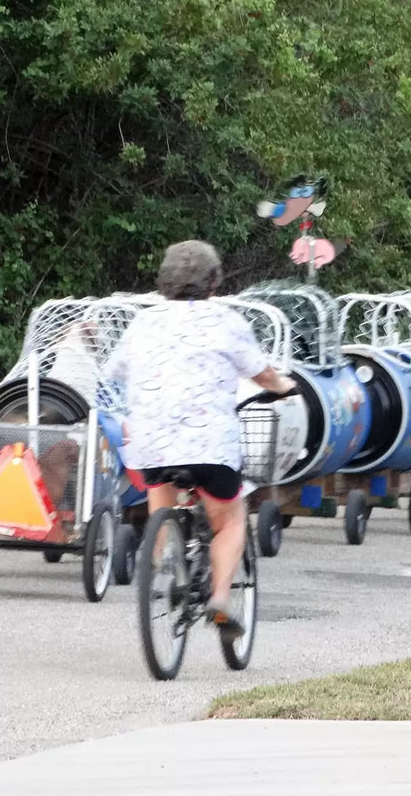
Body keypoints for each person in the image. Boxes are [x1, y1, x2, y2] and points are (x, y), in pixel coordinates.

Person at [104, 240, 296, 636]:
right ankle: (221, 598)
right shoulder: (225, 321)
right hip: (209, 445)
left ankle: (162, 557)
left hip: (150, 443)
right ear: (214, 282)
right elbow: (261, 373)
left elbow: (117, 371)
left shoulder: (143, 322)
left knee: (160, 490)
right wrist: (282, 385)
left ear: (164, 283)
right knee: (230, 521)